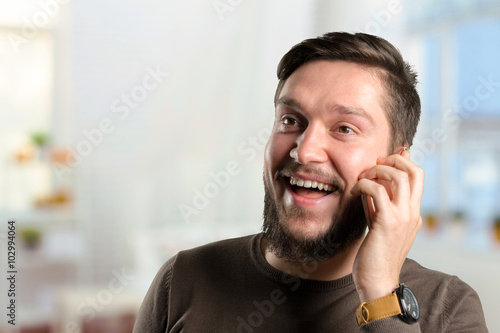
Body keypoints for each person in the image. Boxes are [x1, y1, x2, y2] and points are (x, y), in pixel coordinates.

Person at [132, 32, 488, 332]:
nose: (304, 152)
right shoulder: (182, 279)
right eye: (290, 120)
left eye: (344, 128)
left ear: (396, 163)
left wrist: (380, 294)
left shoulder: (448, 307)